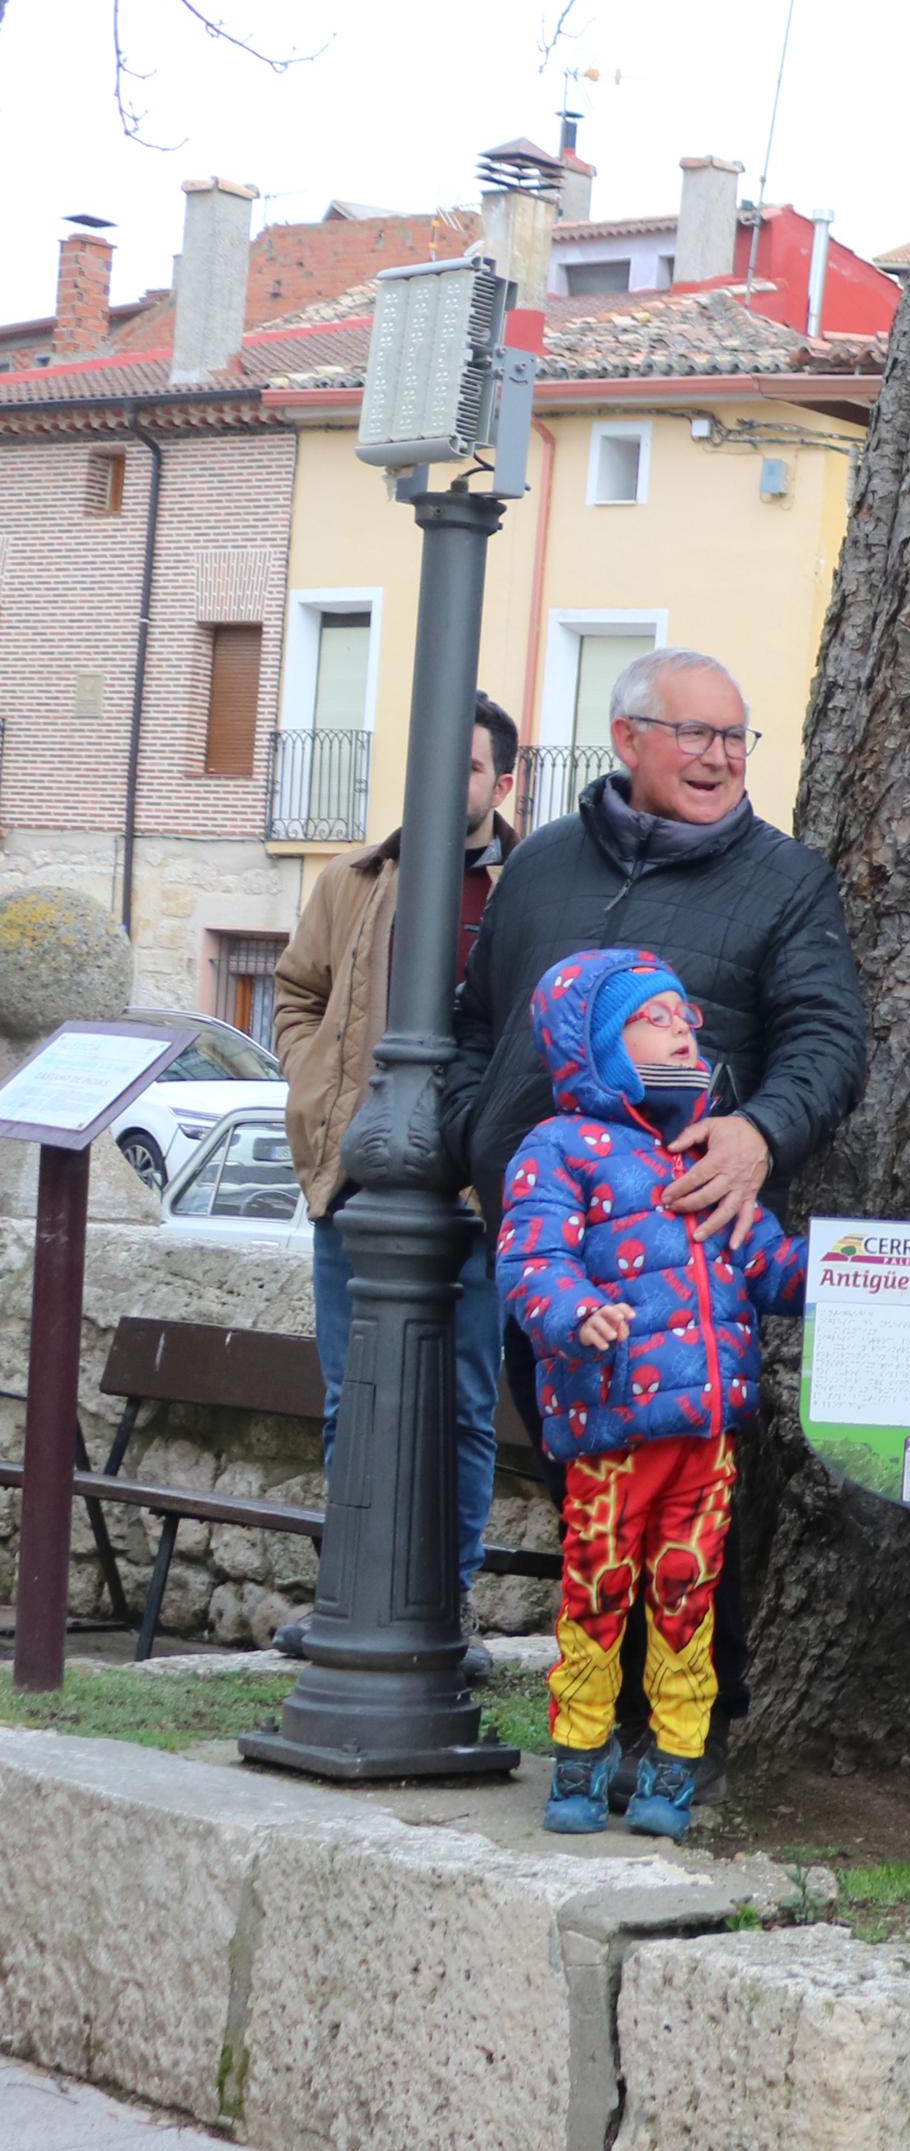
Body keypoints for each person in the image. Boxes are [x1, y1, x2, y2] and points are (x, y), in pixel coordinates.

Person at [447, 648, 869, 1746]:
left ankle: (685, 1733)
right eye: (696, 734)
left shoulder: (785, 880)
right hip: (551, 1259)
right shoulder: (540, 864)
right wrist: (469, 1130)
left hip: (685, 1264)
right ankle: (600, 1728)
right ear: (628, 738)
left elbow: (828, 1041)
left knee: (691, 1513)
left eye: (735, 738)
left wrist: (760, 1130)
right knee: (585, 1499)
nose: (721, 758)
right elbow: (474, 1024)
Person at [491, 950, 807, 1840]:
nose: (683, 1029)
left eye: (684, 1015)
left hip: (704, 1435)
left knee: (686, 1593)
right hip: (611, 1430)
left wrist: (854, 1273)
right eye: (654, 1016)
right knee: (596, 1592)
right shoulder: (559, 1147)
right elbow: (531, 1258)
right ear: (597, 1045)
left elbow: (768, 1262)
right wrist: (574, 1310)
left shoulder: (705, 1150)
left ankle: (675, 1760)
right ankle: (579, 1759)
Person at [271, 688, 524, 1671]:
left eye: (467, 766)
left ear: (502, 783)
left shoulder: (530, 889)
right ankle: (349, 1599)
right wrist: (315, 1080)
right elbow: (297, 992)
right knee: (354, 1399)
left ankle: (441, 1608)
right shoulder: (353, 880)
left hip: (478, 1197)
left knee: (462, 1407)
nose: (445, 780)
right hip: (360, 1186)